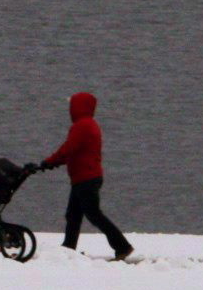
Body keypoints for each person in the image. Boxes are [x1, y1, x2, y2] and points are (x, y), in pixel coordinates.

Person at [38, 90, 134, 261]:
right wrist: (54, 162)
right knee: (73, 215)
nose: (70, 110)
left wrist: (49, 162)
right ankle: (68, 249)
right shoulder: (90, 124)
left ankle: (122, 246)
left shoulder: (82, 126)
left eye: (72, 106)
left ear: (78, 107)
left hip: (86, 178)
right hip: (84, 177)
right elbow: (72, 152)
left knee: (93, 214)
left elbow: (68, 149)